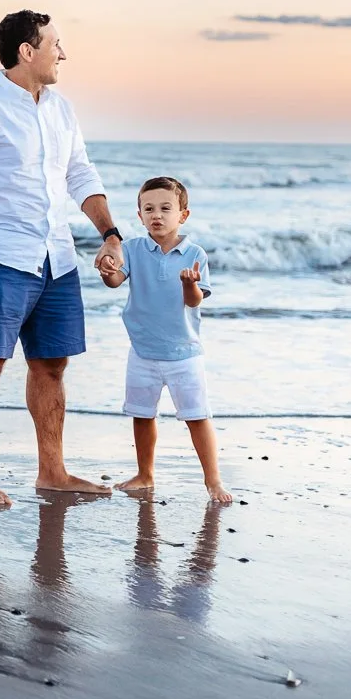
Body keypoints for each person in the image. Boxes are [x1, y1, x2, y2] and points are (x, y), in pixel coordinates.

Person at [0, 10, 124, 505]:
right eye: (56, 44)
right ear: (27, 51)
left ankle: (52, 471)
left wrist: (110, 234)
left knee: (53, 364)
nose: (63, 54)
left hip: (56, 257)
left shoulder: (62, 109)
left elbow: (80, 174)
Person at [101, 176, 231, 504]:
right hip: (142, 351)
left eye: (165, 208)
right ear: (140, 215)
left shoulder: (194, 253)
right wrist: (107, 271)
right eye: (148, 209)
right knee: (142, 415)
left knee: (197, 416)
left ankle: (213, 480)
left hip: (183, 353)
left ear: (182, 215)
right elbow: (115, 281)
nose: (156, 215)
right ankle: (145, 475)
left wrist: (189, 283)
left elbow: (194, 301)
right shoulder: (132, 249)